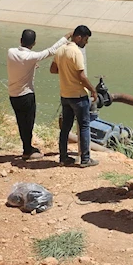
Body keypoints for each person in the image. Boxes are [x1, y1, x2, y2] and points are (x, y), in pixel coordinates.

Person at [7, 29, 69, 159]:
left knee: (21, 122)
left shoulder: (11, 52)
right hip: (26, 95)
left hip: (13, 95)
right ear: (34, 43)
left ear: (20, 40)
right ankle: (27, 150)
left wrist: (31, 65)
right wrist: (66, 37)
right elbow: (52, 51)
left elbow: (19, 64)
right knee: (28, 123)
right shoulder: (32, 57)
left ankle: (27, 147)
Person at [50, 25, 98, 168]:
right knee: (84, 126)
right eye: (85, 39)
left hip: (65, 95)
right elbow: (81, 76)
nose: (86, 42)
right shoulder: (76, 52)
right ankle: (85, 159)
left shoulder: (60, 50)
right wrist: (93, 90)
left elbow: (53, 70)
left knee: (65, 128)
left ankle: (63, 157)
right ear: (78, 37)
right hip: (78, 95)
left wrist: (65, 71)